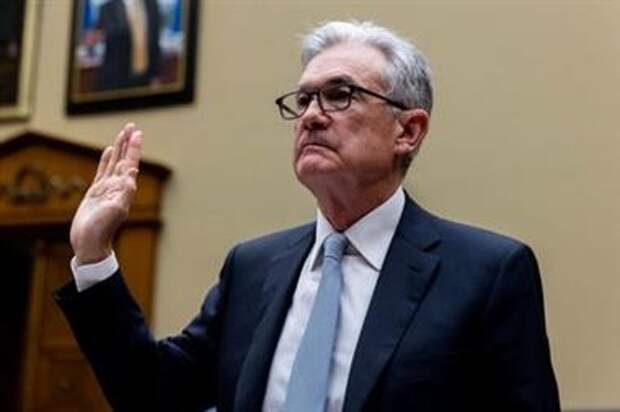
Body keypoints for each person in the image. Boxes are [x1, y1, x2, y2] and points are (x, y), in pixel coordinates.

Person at [55, 21, 560, 411]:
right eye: (303, 100)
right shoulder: (253, 267)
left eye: (340, 95)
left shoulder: (489, 272)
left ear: (408, 131)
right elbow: (155, 395)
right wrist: (93, 255)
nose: (312, 115)